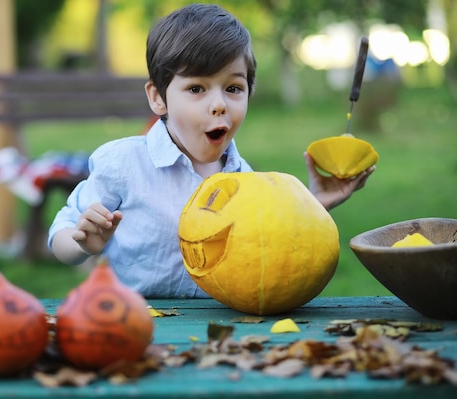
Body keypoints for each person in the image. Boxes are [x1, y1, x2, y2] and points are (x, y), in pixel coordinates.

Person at [48, 3, 374, 299]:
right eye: (196, 89)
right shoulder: (122, 163)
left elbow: (269, 247)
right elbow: (61, 235)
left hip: (215, 328)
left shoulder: (245, 180)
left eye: (233, 88)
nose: (218, 105)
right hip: (133, 320)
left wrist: (314, 206)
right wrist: (81, 244)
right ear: (158, 97)